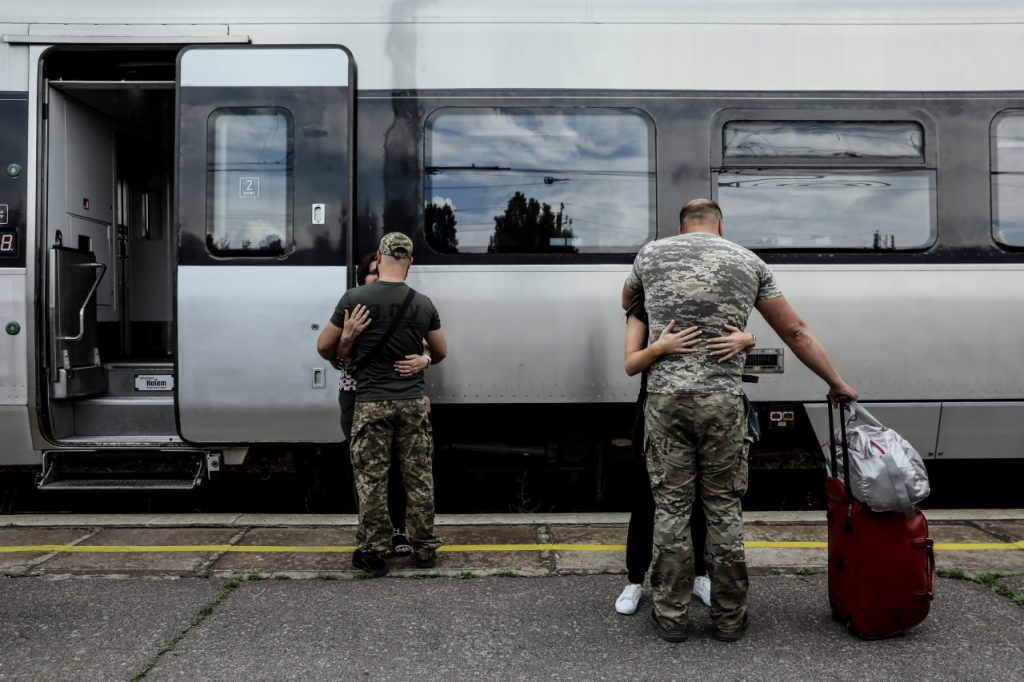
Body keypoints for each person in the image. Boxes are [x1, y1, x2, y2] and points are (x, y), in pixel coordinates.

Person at [622, 198, 858, 642]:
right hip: (722, 401)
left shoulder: (650, 254)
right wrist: (835, 381)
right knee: (723, 507)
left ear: (681, 226)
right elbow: (797, 332)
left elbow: (627, 300)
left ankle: (670, 616)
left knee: (671, 509)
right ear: (720, 226)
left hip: (665, 400)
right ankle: (729, 618)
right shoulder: (748, 261)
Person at [614, 297, 755, 615]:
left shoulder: (713, 302)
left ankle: (699, 576)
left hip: (709, 412)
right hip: (656, 412)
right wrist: (661, 347)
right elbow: (631, 364)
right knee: (647, 496)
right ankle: (636, 579)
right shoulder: (645, 307)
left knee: (706, 498)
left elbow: (739, 340)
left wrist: (748, 338)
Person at [319, 232, 448, 577]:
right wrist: (423, 359)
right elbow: (441, 351)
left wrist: (347, 340)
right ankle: (423, 549)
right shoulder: (423, 303)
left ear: (379, 256)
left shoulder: (354, 298)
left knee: (371, 478)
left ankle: (375, 551)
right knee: (419, 478)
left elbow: (323, 347)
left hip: (371, 402)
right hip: (410, 403)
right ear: (411, 261)